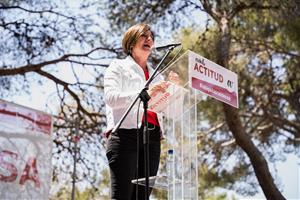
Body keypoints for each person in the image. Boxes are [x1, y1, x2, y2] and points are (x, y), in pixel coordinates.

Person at [104, 23, 167, 200]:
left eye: (151, 37)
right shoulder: (118, 66)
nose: (149, 39)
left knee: (142, 198)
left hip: (152, 140)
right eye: (143, 35)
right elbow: (111, 98)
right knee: (123, 196)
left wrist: (174, 91)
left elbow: (168, 109)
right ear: (131, 43)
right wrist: (142, 94)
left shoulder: (157, 76)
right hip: (125, 136)